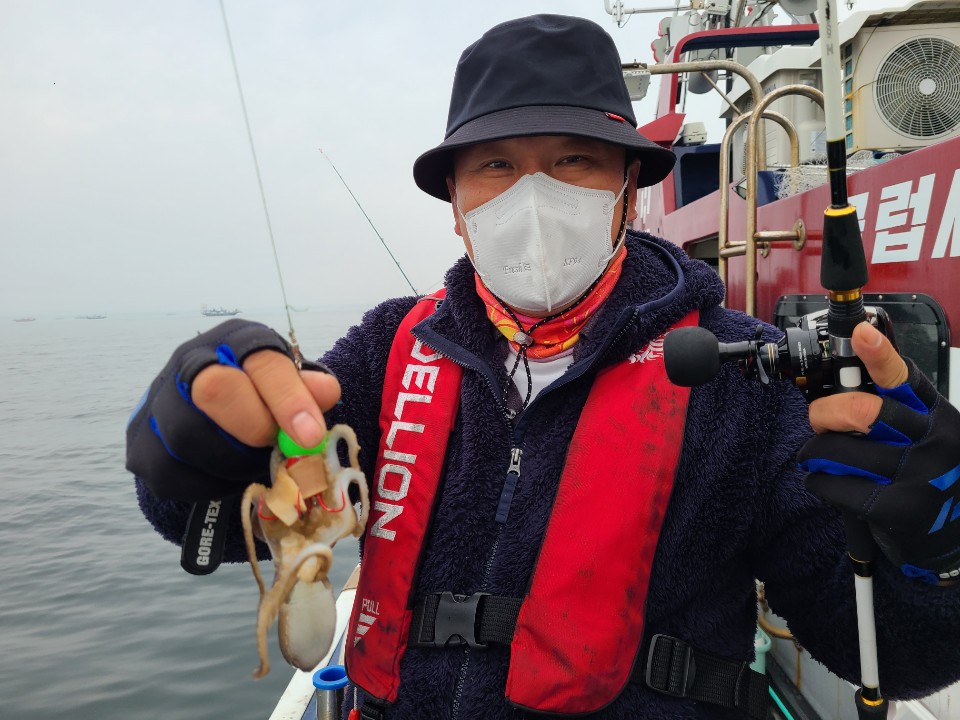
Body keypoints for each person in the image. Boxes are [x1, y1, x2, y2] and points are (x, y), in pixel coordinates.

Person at [126, 14, 960, 720]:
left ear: (628, 191)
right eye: (495, 165)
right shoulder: (390, 346)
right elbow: (222, 515)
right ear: (456, 206)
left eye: (573, 161)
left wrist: (939, 551)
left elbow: (892, 653)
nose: (534, 196)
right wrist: (194, 443)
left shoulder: (743, 373)